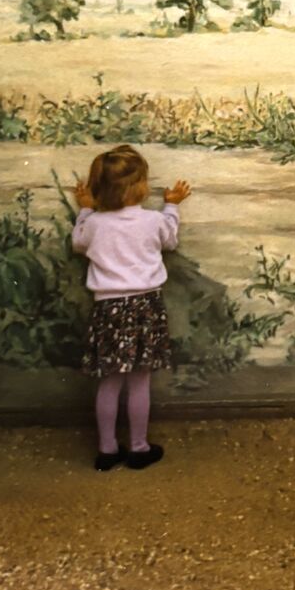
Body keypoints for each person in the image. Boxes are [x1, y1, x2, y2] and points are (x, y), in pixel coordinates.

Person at [72, 144, 191, 472]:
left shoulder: (94, 223)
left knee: (109, 382)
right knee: (139, 381)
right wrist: (172, 206)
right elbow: (170, 240)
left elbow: (78, 243)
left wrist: (84, 210)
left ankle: (107, 450)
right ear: (138, 187)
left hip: (108, 309)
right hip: (145, 307)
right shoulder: (153, 220)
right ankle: (139, 447)